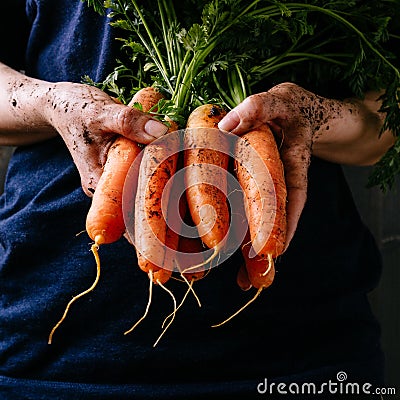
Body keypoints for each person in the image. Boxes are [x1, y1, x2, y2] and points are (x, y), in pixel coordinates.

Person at [0, 1, 396, 399]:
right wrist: (52, 103)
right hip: (51, 336)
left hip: (306, 344)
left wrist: (315, 114)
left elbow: (385, 124)